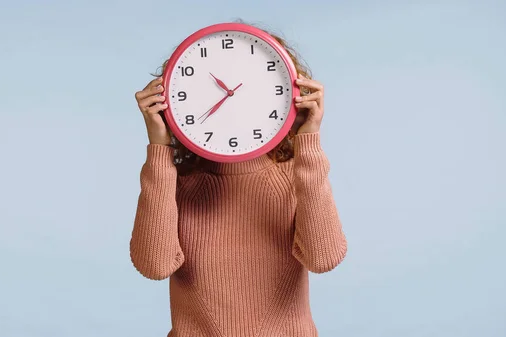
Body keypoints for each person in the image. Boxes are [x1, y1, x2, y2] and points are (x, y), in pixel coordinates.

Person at [130, 24, 347, 337]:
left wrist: (308, 141)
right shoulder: (173, 185)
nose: (229, 94)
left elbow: (323, 257)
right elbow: (154, 265)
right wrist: (159, 150)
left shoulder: (297, 178)